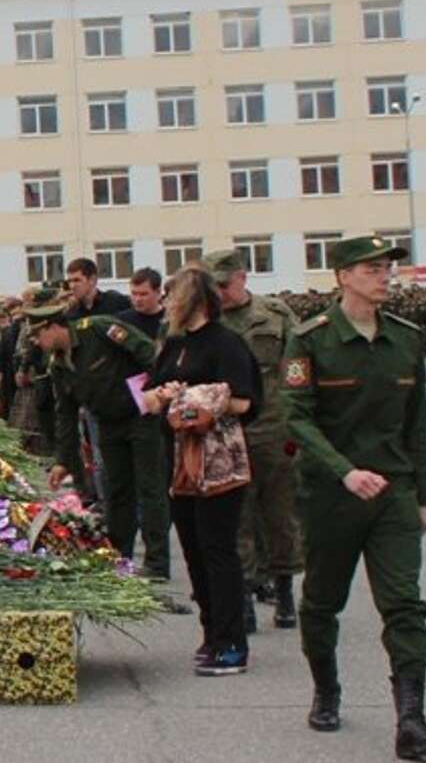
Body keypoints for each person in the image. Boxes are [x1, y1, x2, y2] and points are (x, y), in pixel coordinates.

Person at [284, 236, 426, 756]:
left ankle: (412, 719)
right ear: (343, 276)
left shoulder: (405, 338)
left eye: (386, 268)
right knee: (321, 602)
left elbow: (417, 423)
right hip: (332, 496)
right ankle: (327, 690)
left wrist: (423, 496)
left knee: (404, 604)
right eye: (371, 268)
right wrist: (344, 472)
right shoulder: (311, 340)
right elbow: (297, 418)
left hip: (393, 494)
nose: (384, 277)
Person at [143, 267, 260, 678]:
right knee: (192, 549)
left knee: (217, 549)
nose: (166, 304)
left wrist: (194, 398)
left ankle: (232, 643)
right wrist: (159, 395)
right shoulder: (173, 343)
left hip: (218, 461)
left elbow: (245, 401)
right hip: (177, 461)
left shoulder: (225, 344)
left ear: (194, 300)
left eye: (173, 296)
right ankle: (211, 633)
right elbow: (147, 394)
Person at [25, 297, 169, 579]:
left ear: (54, 327)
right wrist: (63, 461)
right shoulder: (58, 365)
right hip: (109, 423)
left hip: (141, 416)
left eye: (38, 335)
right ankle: (119, 555)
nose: (36, 342)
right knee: (116, 491)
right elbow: (64, 416)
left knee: (150, 488)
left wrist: (155, 393)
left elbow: (150, 356)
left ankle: (157, 562)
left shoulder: (100, 330)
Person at [206, 248, 300, 634]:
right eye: (214, 287)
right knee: (236, 519)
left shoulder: (275, 316)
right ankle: (243, 596)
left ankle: (284, 589)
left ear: (242, 277)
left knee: (281, 515)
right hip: (228, 433)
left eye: (225, 285)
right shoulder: (205, 323)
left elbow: (297, 366)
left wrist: (300, 417)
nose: (221, 293)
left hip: (275, 429)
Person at [65, 257, 133, 321]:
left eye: (77, 280)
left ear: (92, 280)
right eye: (69, 281)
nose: (72, 286)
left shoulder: (115, 302)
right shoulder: (72, 312)